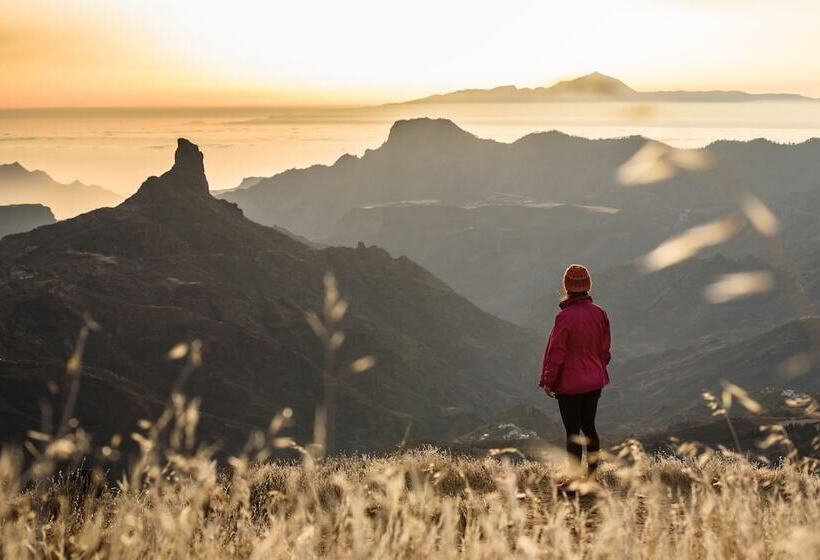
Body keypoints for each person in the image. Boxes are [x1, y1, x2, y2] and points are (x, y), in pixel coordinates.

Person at [539, 264, 611, 475]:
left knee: (573, 434)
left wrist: (548, 381)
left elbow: (556, 353)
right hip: (594, 381)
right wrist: (596, 369)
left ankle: (575, 483)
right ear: (587, 286)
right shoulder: (600, 314)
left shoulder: (565, 317)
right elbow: (604, 350)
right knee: (589, 428)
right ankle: (591, 477)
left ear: (566, 287)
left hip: (569, 385)